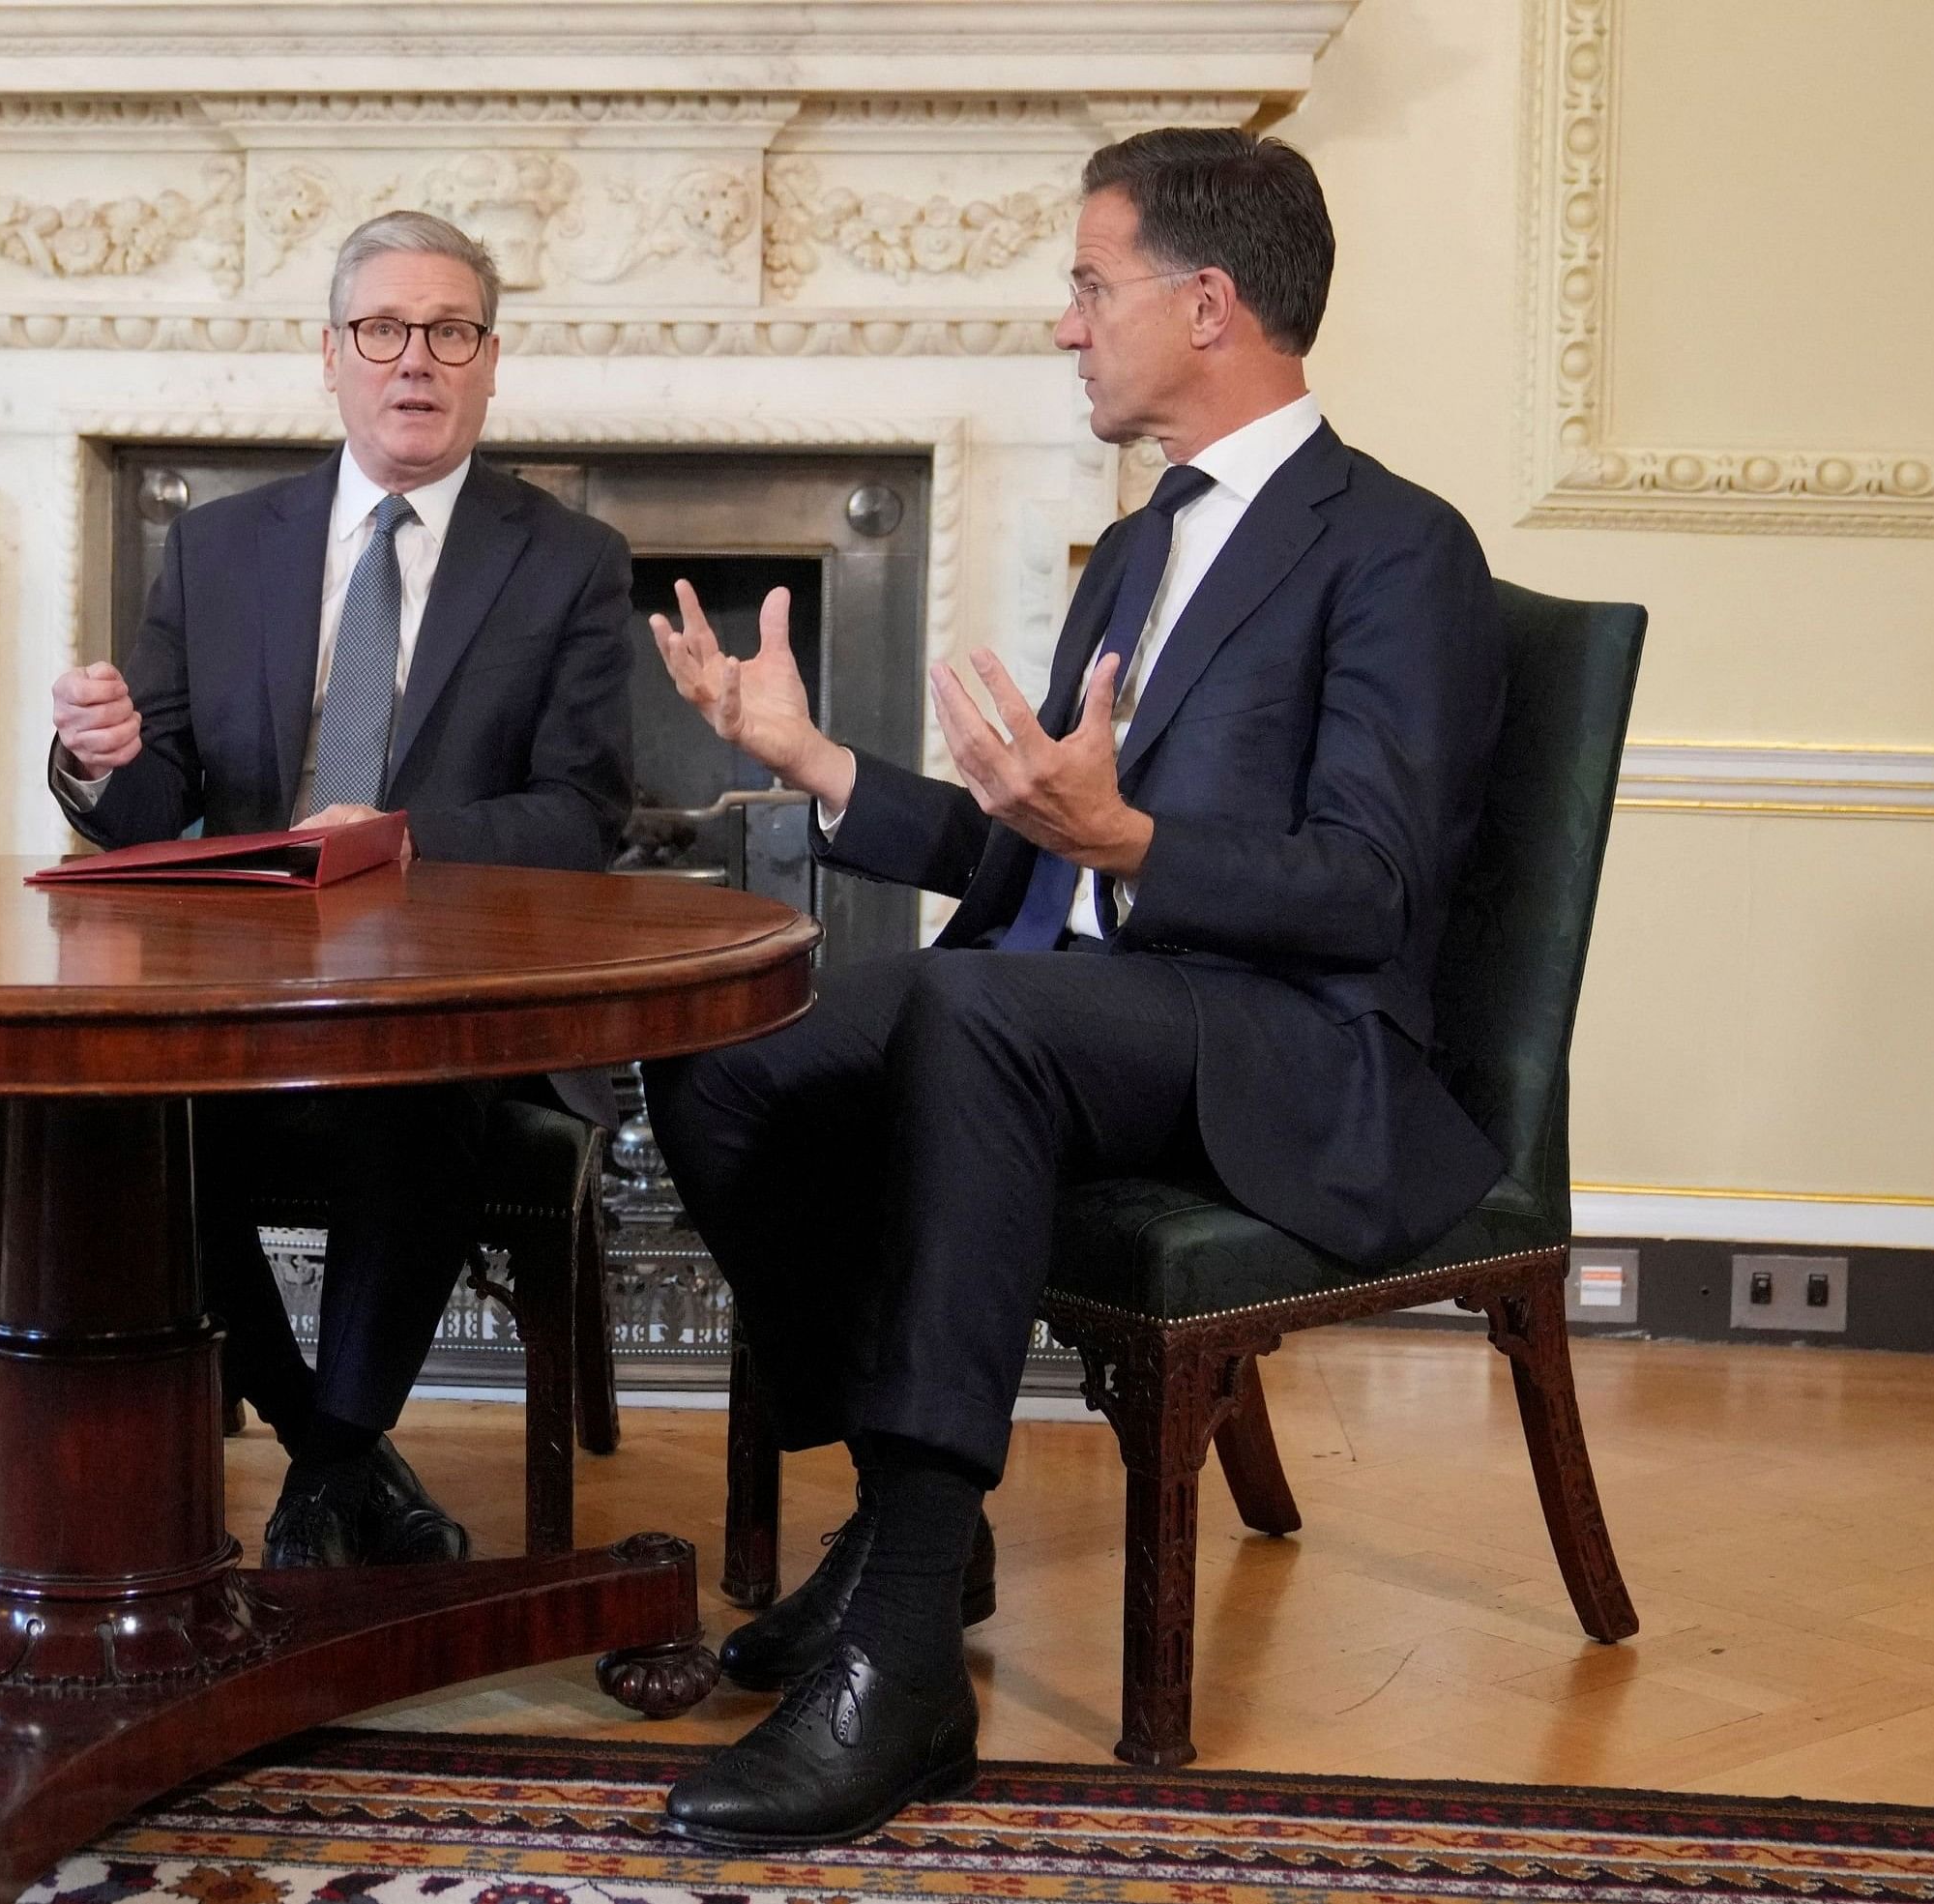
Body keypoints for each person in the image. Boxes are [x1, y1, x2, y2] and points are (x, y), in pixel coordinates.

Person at [642, 129, 1508, 1846]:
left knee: (976, 1017)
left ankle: (900, 1661)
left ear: (1208, 303)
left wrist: (1128, 836)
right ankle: (927, 1534)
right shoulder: (1135, 549)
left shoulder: (1400, 548)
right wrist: (815, 759)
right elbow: (1034, 848)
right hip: (1074, 1008)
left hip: (1277, 1033)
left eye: (1088, 285)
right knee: (725, 1029)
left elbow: (1374, 887)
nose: (1066, 325)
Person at [44, 210, 633, 1569]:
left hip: (459, 1008)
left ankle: (327, 1469)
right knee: (107, 1116)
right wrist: (97, 759)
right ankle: (340, 1453)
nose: (413, 361)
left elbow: (583, 818)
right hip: (240, 997)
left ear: (490, 363)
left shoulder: (567, 561)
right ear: (329, 356)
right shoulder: (219, 546)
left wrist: (401, 838)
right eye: (382, 330)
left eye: (449, 332)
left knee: (410, 1090)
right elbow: (151, 808)